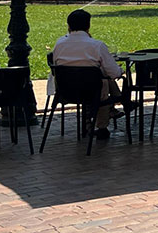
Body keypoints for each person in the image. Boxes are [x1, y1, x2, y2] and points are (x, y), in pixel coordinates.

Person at [51, 8, 123, 140]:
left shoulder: (59, 44)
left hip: (66, 91)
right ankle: (103, 125)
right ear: (88, 26)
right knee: (104, 81)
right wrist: (119, 70)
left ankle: (107, 112)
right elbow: (114, 73)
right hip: (92, 92)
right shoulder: (97, 46)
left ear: (68, 26)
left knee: (101, 79)